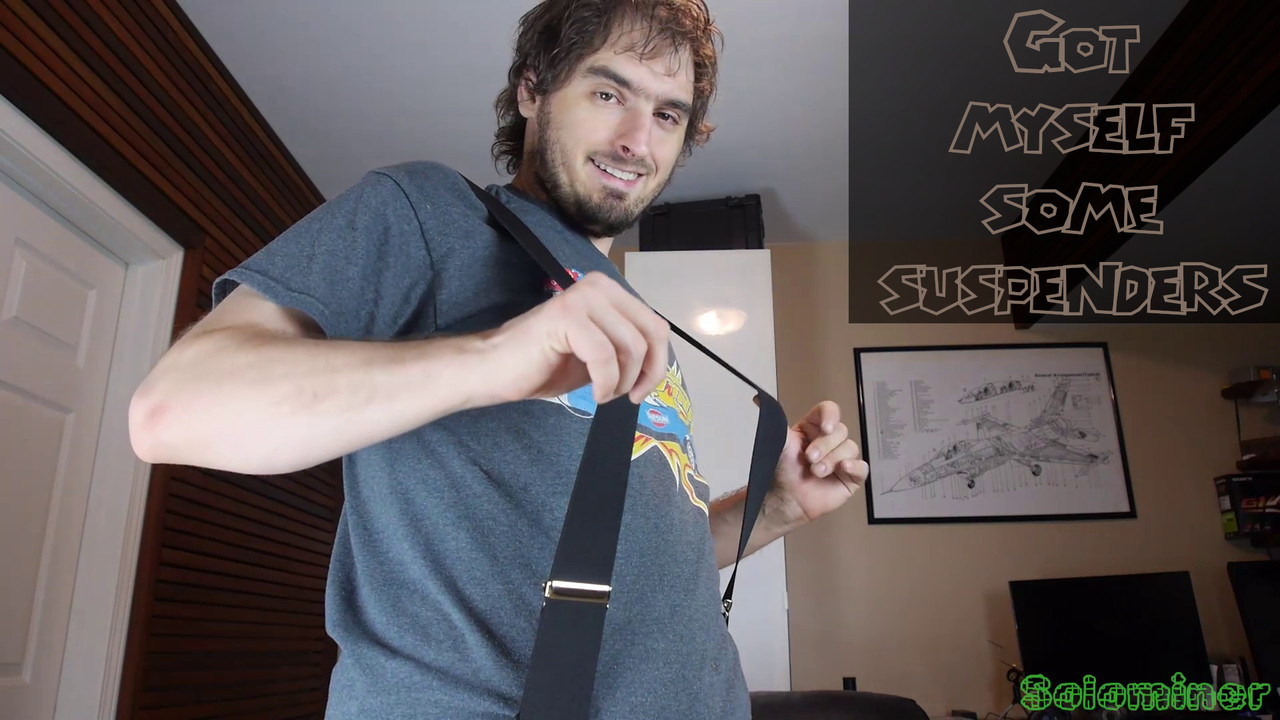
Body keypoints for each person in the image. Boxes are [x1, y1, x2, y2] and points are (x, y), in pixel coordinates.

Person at [127, 0, 868, 717]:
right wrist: (493, 356)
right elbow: (173, 410)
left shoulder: (628, 314)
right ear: (532, 90)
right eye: (609, 93)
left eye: (668, 115)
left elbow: (641, 571)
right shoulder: (427, 211)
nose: (637, 141)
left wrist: (776, 507)